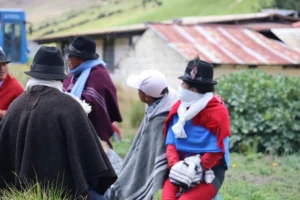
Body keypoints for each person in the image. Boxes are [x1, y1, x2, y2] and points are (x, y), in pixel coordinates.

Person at [0, 46, 117, 199]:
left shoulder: (16, 105)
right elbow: (92, 160)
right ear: (60, 78)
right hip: (65, 193)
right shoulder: (70, 107)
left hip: (19, 193)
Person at [162, 57, 230, 200]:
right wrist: (177, 168)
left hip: (208, 172)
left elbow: (216, 152)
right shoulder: (179, 110)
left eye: (183, 84)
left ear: (193, 90)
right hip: (179, 170)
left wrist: (197, 168)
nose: (180, 86)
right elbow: (171, 144)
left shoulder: (217, 114)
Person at [106, 69, 178, 200]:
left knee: (133, 181)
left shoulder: (161, 120)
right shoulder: (160, 101)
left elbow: (150, 155)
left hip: (177, 168)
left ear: (146, 96)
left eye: (139, 90)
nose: (137, 91)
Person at [63, 36, 122, 148]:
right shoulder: (72, 74)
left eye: (71, 56)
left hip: (94, 136)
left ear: (81, 58)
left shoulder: (99, 75)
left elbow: (95, 105)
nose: (67, 59)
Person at [0, 47, 24, 120]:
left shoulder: (16, 88)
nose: (2, 68)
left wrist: (3, 114)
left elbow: (23, 115)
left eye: (4, 64)